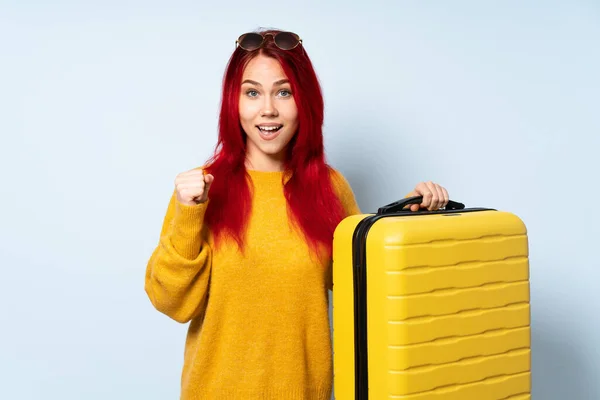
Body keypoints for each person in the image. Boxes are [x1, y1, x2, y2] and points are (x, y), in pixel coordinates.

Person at [144, 29, 451, 400]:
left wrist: (407, 218)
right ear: (233, 102)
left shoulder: (330, 187)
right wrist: (189, 214)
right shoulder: (202, 189)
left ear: (303, 101)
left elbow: (365, 287)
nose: (268, 109)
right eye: (252, 92)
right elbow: (173, 303)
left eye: (284, 92)